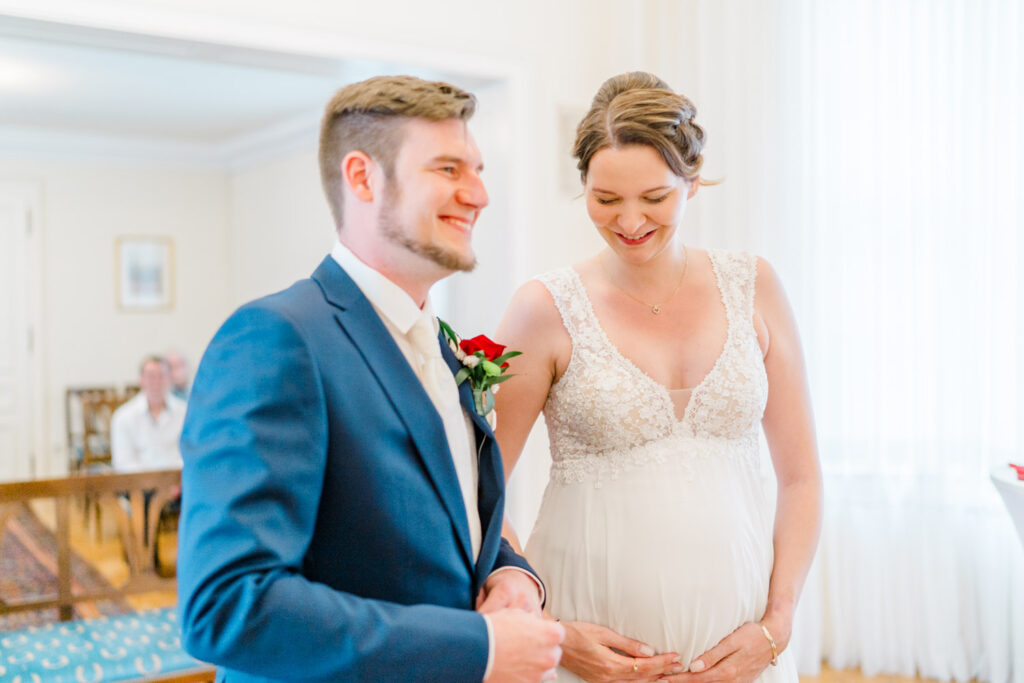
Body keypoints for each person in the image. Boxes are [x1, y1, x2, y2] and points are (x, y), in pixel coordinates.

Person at [177, 75, 564, 682]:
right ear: (362, 177)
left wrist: (510, 573)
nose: (480, 194)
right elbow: (227, 605)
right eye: (449, 168)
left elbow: (448, 525)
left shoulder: (442, 344)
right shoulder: (278, 338)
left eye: (479, 169)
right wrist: (476, 647)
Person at [493, 72, 822, 682]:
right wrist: (551, 630)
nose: (629, 220)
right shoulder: (544, 308)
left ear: (693, 183)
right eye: (606, 198)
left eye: (655, 196)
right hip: (585, 658)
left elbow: (801, 478)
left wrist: (778, 623)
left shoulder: (755, 286)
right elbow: (477, 490)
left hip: (744, 658)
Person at [110, 355, 186, 472]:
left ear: (170, 378)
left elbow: (189, 454)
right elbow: (123, 463)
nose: (156, 382)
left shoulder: (185, 412)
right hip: (138, 485)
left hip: (178, 483)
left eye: (161, 376)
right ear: (140, 379)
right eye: (151, 376)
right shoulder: (123, 416)